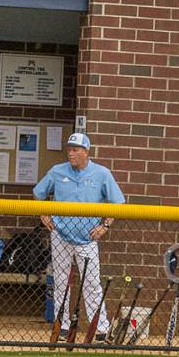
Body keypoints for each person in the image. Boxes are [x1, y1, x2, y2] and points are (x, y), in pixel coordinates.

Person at [33, 132, 126, 342]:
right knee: (60, 282)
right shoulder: (57, 171)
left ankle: (100, 328)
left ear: (86, 152)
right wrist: (44, 214)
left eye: (75, 150)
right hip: (60, 235)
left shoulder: (101, 173)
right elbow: (39, 193)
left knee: (92, 283)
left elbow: (118, 203)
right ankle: (62, 325)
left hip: (87, 238)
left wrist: (105, 226)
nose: (71, 153)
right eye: (69, 149)